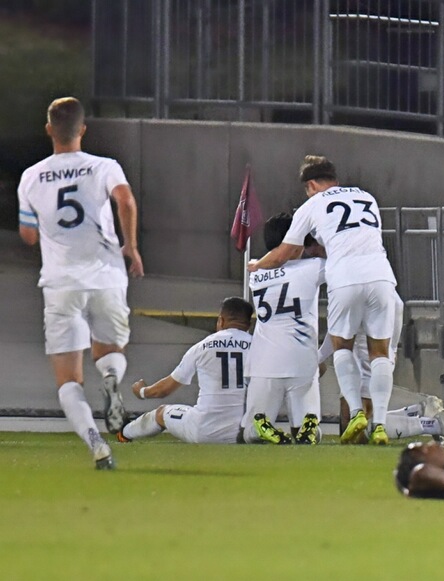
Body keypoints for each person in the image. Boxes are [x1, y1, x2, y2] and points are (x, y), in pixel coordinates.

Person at [17, 96, 144, 469]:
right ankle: (110, 378)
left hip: (60, 283)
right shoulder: (104, 166)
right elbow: (126, 200)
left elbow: (26, 234)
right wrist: (131, 246)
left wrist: (47, 232)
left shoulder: (32, 176)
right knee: (111, 351)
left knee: (68, 381)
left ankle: (97, 446)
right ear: (82, 130)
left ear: (48, 131)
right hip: (106, 276)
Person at [248, 155, 399, 445]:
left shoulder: (312, 205)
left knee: (343, 345)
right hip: (381, 275)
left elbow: (285, 254)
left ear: (312, 184)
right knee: (380, 352)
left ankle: (356, 412)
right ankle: (379, 423)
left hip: (344, 277)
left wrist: (257, 266)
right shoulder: (366, 196)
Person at [116, 298, 253, 445]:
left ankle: (124, 433)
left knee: (161, 413)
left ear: (221, 320)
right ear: (249, 324)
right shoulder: (257, 347)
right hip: (243, 433)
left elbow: (163, 391)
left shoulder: (202, 347)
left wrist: (142, 391)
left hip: (203, 431)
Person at [240, 213, 327, 445]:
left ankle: (263, 428)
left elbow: (273, 262)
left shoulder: (255, 272)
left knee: (249, 432)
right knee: (308, 431)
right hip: (302, 361)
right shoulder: (313, 267)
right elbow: (342, 260)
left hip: (264, 362)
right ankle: (308, 426)